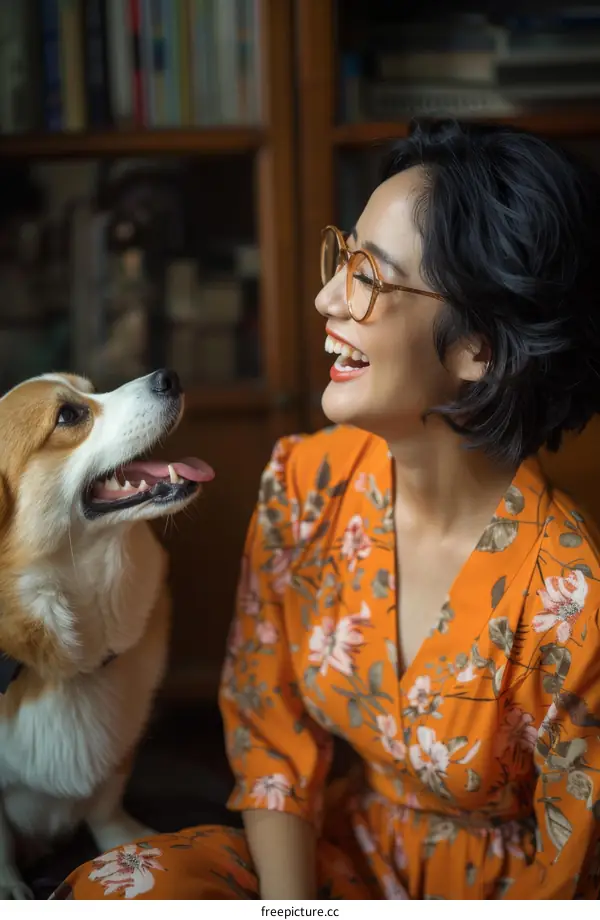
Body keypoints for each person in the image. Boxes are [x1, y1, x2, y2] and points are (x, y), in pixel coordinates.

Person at [51, 119, 600, 900]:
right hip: (338, 864)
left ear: (480, 345)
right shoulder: (304, 485)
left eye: (369, 277)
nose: (325, 297)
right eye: (343, 260)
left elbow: (574, 866)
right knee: (126, 888)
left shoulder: (572, 599)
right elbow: (271, 740)